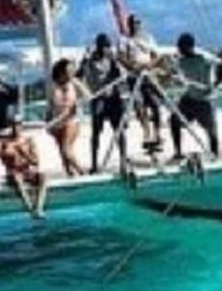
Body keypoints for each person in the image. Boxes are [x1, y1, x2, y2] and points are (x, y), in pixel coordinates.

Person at [168, 32, 222, 161]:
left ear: (188, 46)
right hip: (189, 98)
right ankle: (178, 152)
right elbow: (172, 72)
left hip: (204, 99)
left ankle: (215, 155)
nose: (179, 50)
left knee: (211, 130)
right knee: (174, 121)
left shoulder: (204, 58)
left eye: (181, 47)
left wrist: (214, 84)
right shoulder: (181, 60)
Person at [119, 13, 166, 154]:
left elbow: (157, 55)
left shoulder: (148, 38)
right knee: (139, 105)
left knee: (155, 104)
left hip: (148, 75)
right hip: (134, 77)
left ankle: (158, 134)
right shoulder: (124, 40)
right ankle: (147, 133)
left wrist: (149, 65)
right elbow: (121, 56)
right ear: (129, 24)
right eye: (133, 22)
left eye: (138, 22)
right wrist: (133, 67)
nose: (136, 25)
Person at [81, 33, 127, 175]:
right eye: (104, 46)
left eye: (108, 46)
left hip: (113, 98)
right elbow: (83, 74)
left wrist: (114, 60)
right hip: (99, 98)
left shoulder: (111, 60)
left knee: (119, 130)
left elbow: (120, 75)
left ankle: (123, 161)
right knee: (96, 132)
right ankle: (94, 163)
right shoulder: (90, 60)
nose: (106, 49)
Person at [0, 120, 48, 218]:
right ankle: (30, 209)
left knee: (43, 176)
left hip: (26, 170)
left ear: (21, 127)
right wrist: (4, 152)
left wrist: (24, 153)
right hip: (13, 172)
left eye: (18, 126)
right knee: (17, 178)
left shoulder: (28, 141)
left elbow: (36, 162)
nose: (16, 128)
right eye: (14, 126)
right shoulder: (5, 141)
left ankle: (39, 207)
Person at [46, 58, 89, 177]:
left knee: (66, 150)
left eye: (72, 71)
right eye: (68, 71)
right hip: (56, 122)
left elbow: (88, 96)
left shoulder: (74, 83)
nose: (71, 73)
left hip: (71, 120)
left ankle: (83, 172)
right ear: (61, 72)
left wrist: (78, 103)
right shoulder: (53, 86)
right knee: (62, 154)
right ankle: (70, 174)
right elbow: (50, 105)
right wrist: (48, 122)